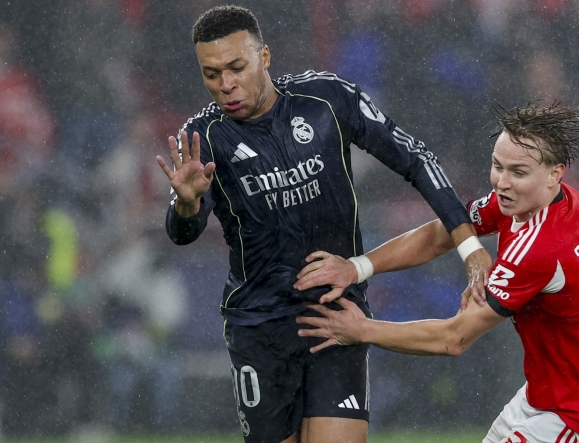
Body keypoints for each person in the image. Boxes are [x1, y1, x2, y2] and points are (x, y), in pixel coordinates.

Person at [154, 5, 491, 443]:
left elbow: (417, 160)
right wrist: (186, 203)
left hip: (335, 311)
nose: (226, 85)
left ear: (265, 57)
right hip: (258, 325)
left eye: (236, 67)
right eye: (211, 74)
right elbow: (184, 232)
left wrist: (470, 247)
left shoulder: (327, 99)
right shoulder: (204, 136)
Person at [296, 102, 579, 443]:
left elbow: (453, 338)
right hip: (548, 395)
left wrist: (362, 329)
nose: (502, 182)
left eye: (518, 172)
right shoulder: (552, 201)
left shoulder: (541, 248)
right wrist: (357, 268)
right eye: (497, 166)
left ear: (554, 173)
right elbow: (442, 235)